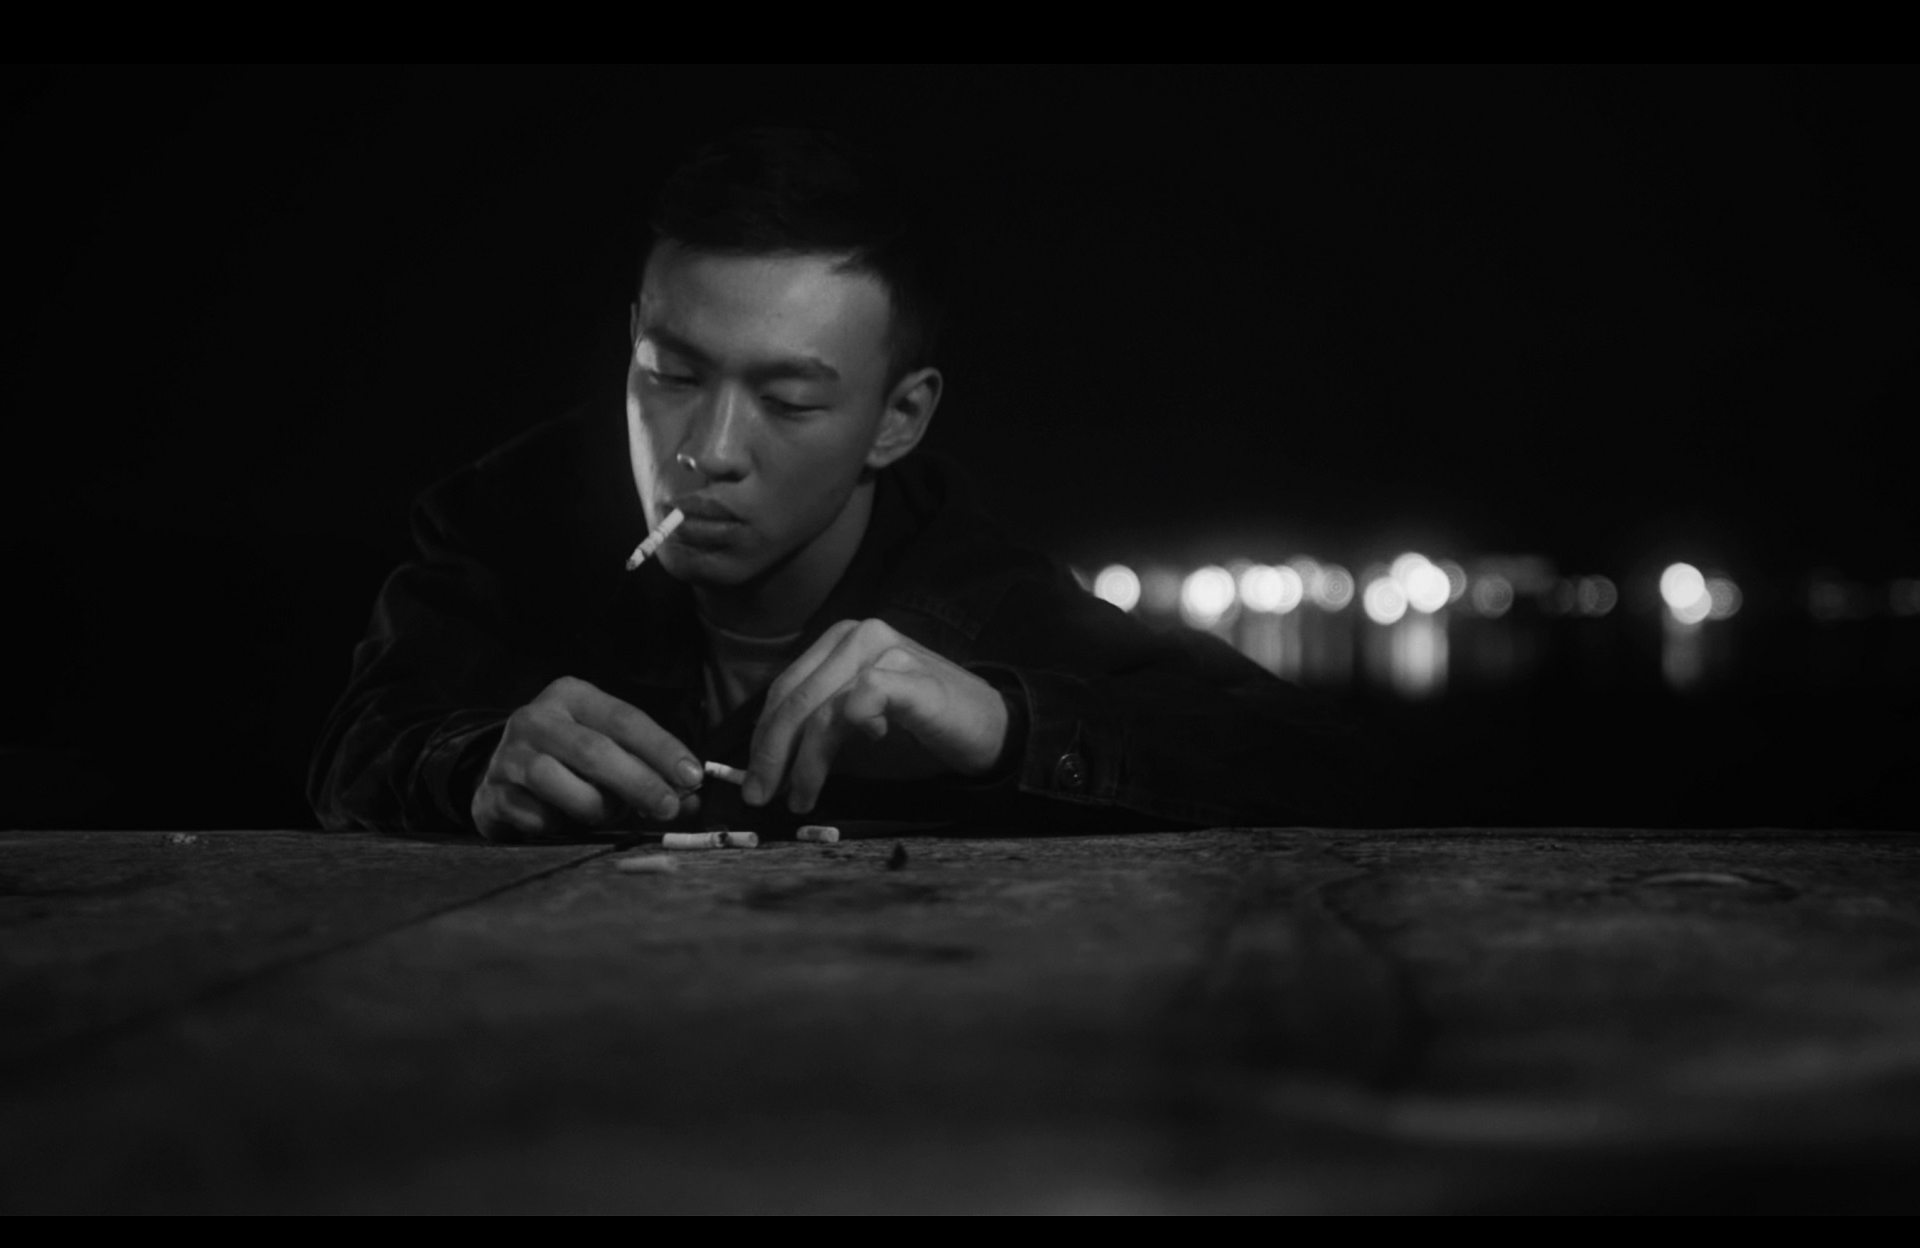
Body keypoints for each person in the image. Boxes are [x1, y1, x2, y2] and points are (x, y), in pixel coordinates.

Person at [309, 127, 1368, 841]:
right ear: (632, 340)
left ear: (897, 419)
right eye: (672, 375)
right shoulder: (508, 519)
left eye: (788, 400)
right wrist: (473, 765)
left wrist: (1004, 725)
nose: (709, 450)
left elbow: (1331, 772)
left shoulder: (983, 596)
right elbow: (353, 747)